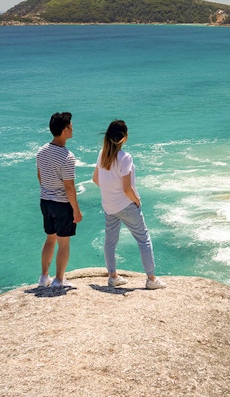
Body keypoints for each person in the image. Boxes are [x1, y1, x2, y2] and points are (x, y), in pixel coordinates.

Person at [92, 120, 166, 290]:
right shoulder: (125, 158)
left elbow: (95, 179)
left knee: (110, 241)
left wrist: (110, 191)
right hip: (126, 205)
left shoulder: (102, 154)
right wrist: (136, 200)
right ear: (124, 138)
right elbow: (127, 188)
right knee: (143, 239)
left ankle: (113, 276)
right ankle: (152, 279)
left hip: (108, 206)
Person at [37, 111, 82, 288]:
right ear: (64, 130)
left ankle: (43, 277)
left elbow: (40, 176)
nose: (72, 128)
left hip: (45, 201)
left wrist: (48, 191)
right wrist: (76, 210)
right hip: (62, 204)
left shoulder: (41, 151)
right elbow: (69, 187)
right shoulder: (67, 157)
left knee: (50, 239)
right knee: (64, 243)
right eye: (70, 126)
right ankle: (59, 280)